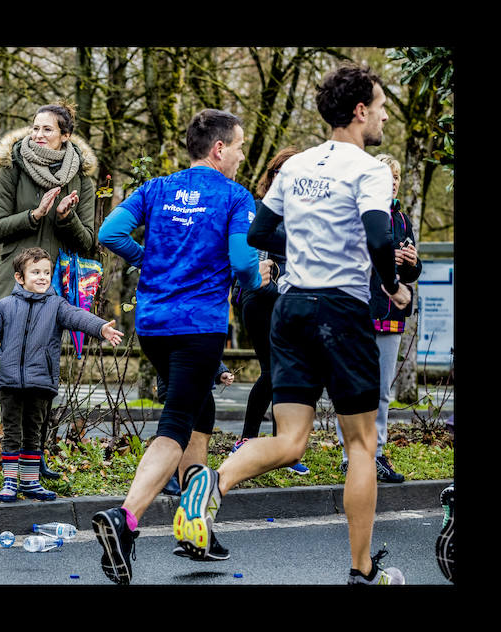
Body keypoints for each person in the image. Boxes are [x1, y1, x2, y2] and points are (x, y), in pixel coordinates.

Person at [187, 62, 411, 585]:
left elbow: (263, 233)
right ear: (359, 111)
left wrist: (309, 249)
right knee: (360, 445)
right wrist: (393, 286)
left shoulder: (297, 166)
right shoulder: (370, 167)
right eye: (379, 108)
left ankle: (211, 486)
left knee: (290, 442)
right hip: (340, 311)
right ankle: (360, 571)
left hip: (291, 311)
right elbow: (381, 239)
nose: (381, 117)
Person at [92, 109, 272, 584]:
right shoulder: (235, 197)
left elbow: (109, 233)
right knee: (175, 425)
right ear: (218, 149)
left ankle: (196, 529)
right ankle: (125, 520)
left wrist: (148, 259)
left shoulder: (156, 189)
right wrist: (258, 275)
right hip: (198, 325)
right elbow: (241, 259)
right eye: (237, 148)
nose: (239, 156)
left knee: (199, 414)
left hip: (153, 324)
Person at [0, 101, 99, 479]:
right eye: (34, 128)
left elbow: (87, 244)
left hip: (54, 288)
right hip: (13, 285)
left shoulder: (80, 178)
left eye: (47, 129)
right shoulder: (13, 168)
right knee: (10, 374)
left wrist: (64, 219)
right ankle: (8, 456)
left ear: (65, 136)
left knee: (41, 373)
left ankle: (35, 458)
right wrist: (34, 215)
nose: (37, 135)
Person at [0, 247, 123, 502]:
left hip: (41, 381)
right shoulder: (5, 306)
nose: (43, 277)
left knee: (34, 432)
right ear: (19, 278)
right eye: (35, 272)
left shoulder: (56, 305)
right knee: (12, 432)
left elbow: (78, 317)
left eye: (46, 272)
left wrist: (101, 329)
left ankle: (30, 481)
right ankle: (10, 481)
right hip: (9, 381)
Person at [335, 153, 421, 483]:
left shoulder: (401, 219)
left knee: (383, 390)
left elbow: (412, 273)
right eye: (389, 175)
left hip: (392, 313)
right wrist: (381, 260)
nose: (394, 181)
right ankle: (349, 456)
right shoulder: (357, 214)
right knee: (356, 387)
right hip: (358, 309)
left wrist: (410, 262)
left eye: (397, 176)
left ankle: (377, 454)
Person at [229, 147, 310, 475]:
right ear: (273, 176)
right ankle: (248, 440)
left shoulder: (305, 215)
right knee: (274, 369)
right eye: (283, 172)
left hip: (292, 301)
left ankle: (281, 446)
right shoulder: (260, 209)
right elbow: (253, 252)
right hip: (260, 297)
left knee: (285, 372)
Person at [160, 361, 233, 498]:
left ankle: (188, 481)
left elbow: (207, 347)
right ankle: (169, 476)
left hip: (200, 380)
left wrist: (220, 371)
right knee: (180, 432)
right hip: (181, 380)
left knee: (200, 427)